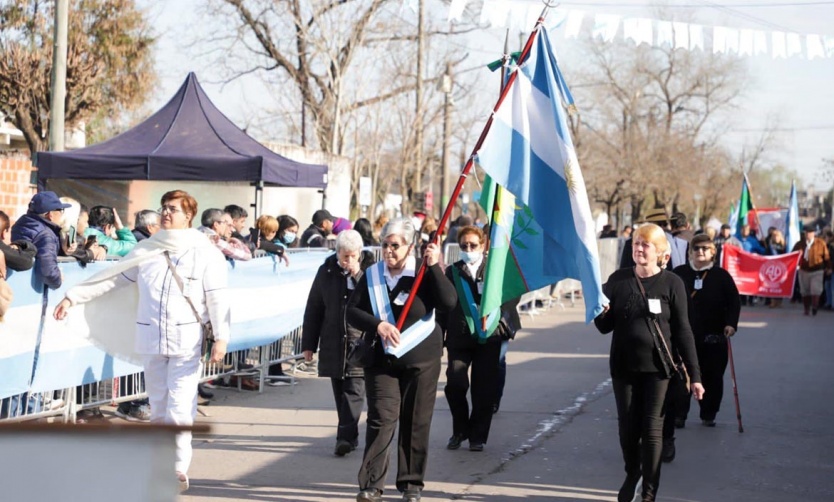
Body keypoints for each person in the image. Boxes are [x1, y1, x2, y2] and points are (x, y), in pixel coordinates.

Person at [54, 190, 230, 492]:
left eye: (173, 208)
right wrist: (73, 297)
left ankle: (177, 467)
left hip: (187, 338)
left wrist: (222, 338)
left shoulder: (204, 251)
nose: (165, 213)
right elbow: (113, 277)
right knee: (159, 403)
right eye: (163, 207)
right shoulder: (146, 249)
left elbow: (217, 297)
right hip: (151, 336)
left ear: (188, 215)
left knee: (179, 403)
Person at [346, 217, 457, 502]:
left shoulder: (424, 271)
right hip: (383, 360)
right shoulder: (373, 274)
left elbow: (448, 302)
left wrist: (433, 267)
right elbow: (352, 311)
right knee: (381, 419)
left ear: (410, 246)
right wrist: (378, 325)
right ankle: (371, 485)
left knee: (416, 420)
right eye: (385, 245)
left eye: (395, 245)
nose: (389, 251)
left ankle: (411, 485)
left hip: (422, 359)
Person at [594, 223, 704, 502]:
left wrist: (696, 376)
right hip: (623, 369)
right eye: (636, 244)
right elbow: (604, 327)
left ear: (660, 253)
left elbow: (683, 331)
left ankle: (649, 494)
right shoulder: (618, 280)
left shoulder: (672, 284)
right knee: (627, 428)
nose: (639, 249)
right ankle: (633, 472)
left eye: (645, 245)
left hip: (659, 370)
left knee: (652, 428)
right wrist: (601, 311)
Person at [301, 230, 375, 457]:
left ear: (360, 254)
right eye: (345, 256)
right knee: (340, 393)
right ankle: (349, 436)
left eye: (353, 256)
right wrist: (309, 344)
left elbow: (376, 301)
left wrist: (357, 275)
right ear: (337, 253)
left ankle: (344, 437)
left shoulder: (370, 273)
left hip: (359, 341)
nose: (349, 261)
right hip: (333, 340)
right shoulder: (327, 271)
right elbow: (314, 307)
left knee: (354, 392)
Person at [442, 226, 514, 452]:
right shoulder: (452, 272)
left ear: (483, 246)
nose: (468, 249)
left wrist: (503, 320)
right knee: (455, 385)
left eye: (473, 245)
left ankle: (477, 436)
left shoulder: (494, 270)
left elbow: (511, 297)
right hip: (460, 336)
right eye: (464, 246)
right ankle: (460, 429)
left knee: (484, 390)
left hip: (489, 337)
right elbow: (444, 305)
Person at [671, 234, 740, 431]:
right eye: (696, 248)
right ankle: (679, 415)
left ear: (713, 253)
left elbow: (734, 303)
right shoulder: (678, 274)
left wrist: (731, 324)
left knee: (712, 377)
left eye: (705, 248)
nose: (700, 252)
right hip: (683, 337)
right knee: (681, 377)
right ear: (690, 252)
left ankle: (709, 413)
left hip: (713, 338)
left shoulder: (722, 276)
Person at [11, 191, 71, 289]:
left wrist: (63, 249)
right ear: (50, 214)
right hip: (33, 295)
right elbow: (48, 272)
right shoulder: (46, 234)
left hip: (16, 286)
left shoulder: (21, 224)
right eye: (61, 210)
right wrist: (58, 279)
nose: (62, 213)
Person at [791, 226, 832, 316]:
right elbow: (792, 255)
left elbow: (826, 256)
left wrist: (829, 267)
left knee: (815, 289)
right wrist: (798, 255)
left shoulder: (820, 243)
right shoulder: (800, 244)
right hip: (803, 270)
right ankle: (806, 309)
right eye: (806, 232)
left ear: (814, 233)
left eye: (810, 232)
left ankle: (814, 306)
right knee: (804, 290)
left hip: (817, 270)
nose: (808, 234)